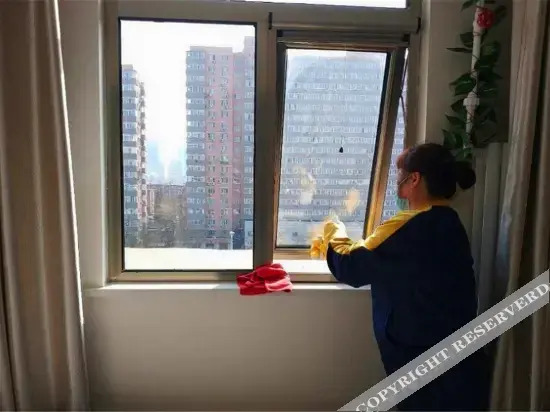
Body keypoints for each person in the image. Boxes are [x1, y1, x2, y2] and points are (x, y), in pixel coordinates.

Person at [315, 143, 491, 411]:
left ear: (415, 178)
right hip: (456, 358)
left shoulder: (412, 225)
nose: (397, 180)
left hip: (421, 358)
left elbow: (352, 266)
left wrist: (333, 232)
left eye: (400, 174)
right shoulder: (449, 221)